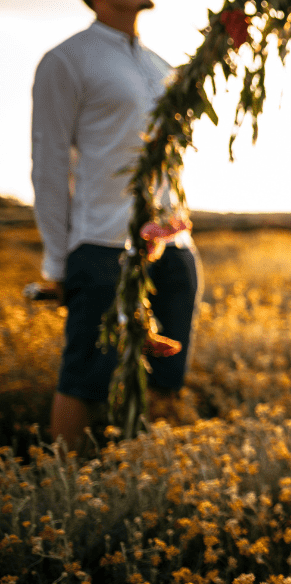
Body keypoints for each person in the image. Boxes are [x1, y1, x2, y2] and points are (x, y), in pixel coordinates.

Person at [31, 0, 200, 450]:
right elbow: (49, 167)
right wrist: (58, 262)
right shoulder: (67, 60)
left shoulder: (159, 64)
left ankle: (149, 472)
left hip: (173, 247)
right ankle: (64, 486)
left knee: (166, 375)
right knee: (85, 374)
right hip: (104, 244)